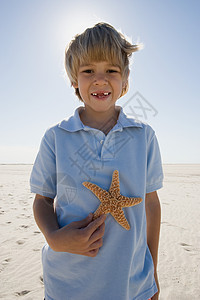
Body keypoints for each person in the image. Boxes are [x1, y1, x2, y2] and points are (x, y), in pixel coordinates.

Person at [30, 22, 163, 300]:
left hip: (131, 283)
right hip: (67, 283)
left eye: (111, 71)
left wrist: (152, 269)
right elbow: (42, 199)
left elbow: (150, 202)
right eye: (88, 70)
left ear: (125, 79)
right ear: (74, 80)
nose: (100, 79)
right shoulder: (56, 136)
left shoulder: (143, 136)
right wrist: (54, 237)